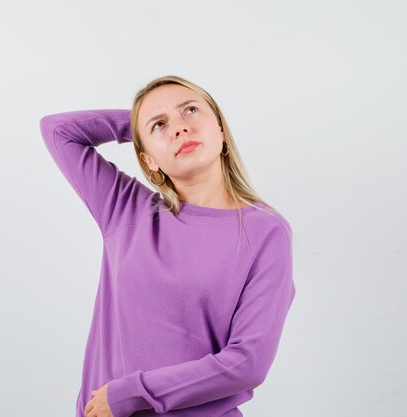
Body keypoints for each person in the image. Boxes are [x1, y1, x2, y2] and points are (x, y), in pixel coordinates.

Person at [39, 75, 296, 417]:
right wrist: (143, 129)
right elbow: (58, 130)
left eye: (191, 111)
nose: (180, 128)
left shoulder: (265, 231)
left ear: (222, 132)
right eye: (161, 124)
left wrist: (130, 394)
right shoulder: (125, 209)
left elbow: (248, 363)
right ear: (148, 161)